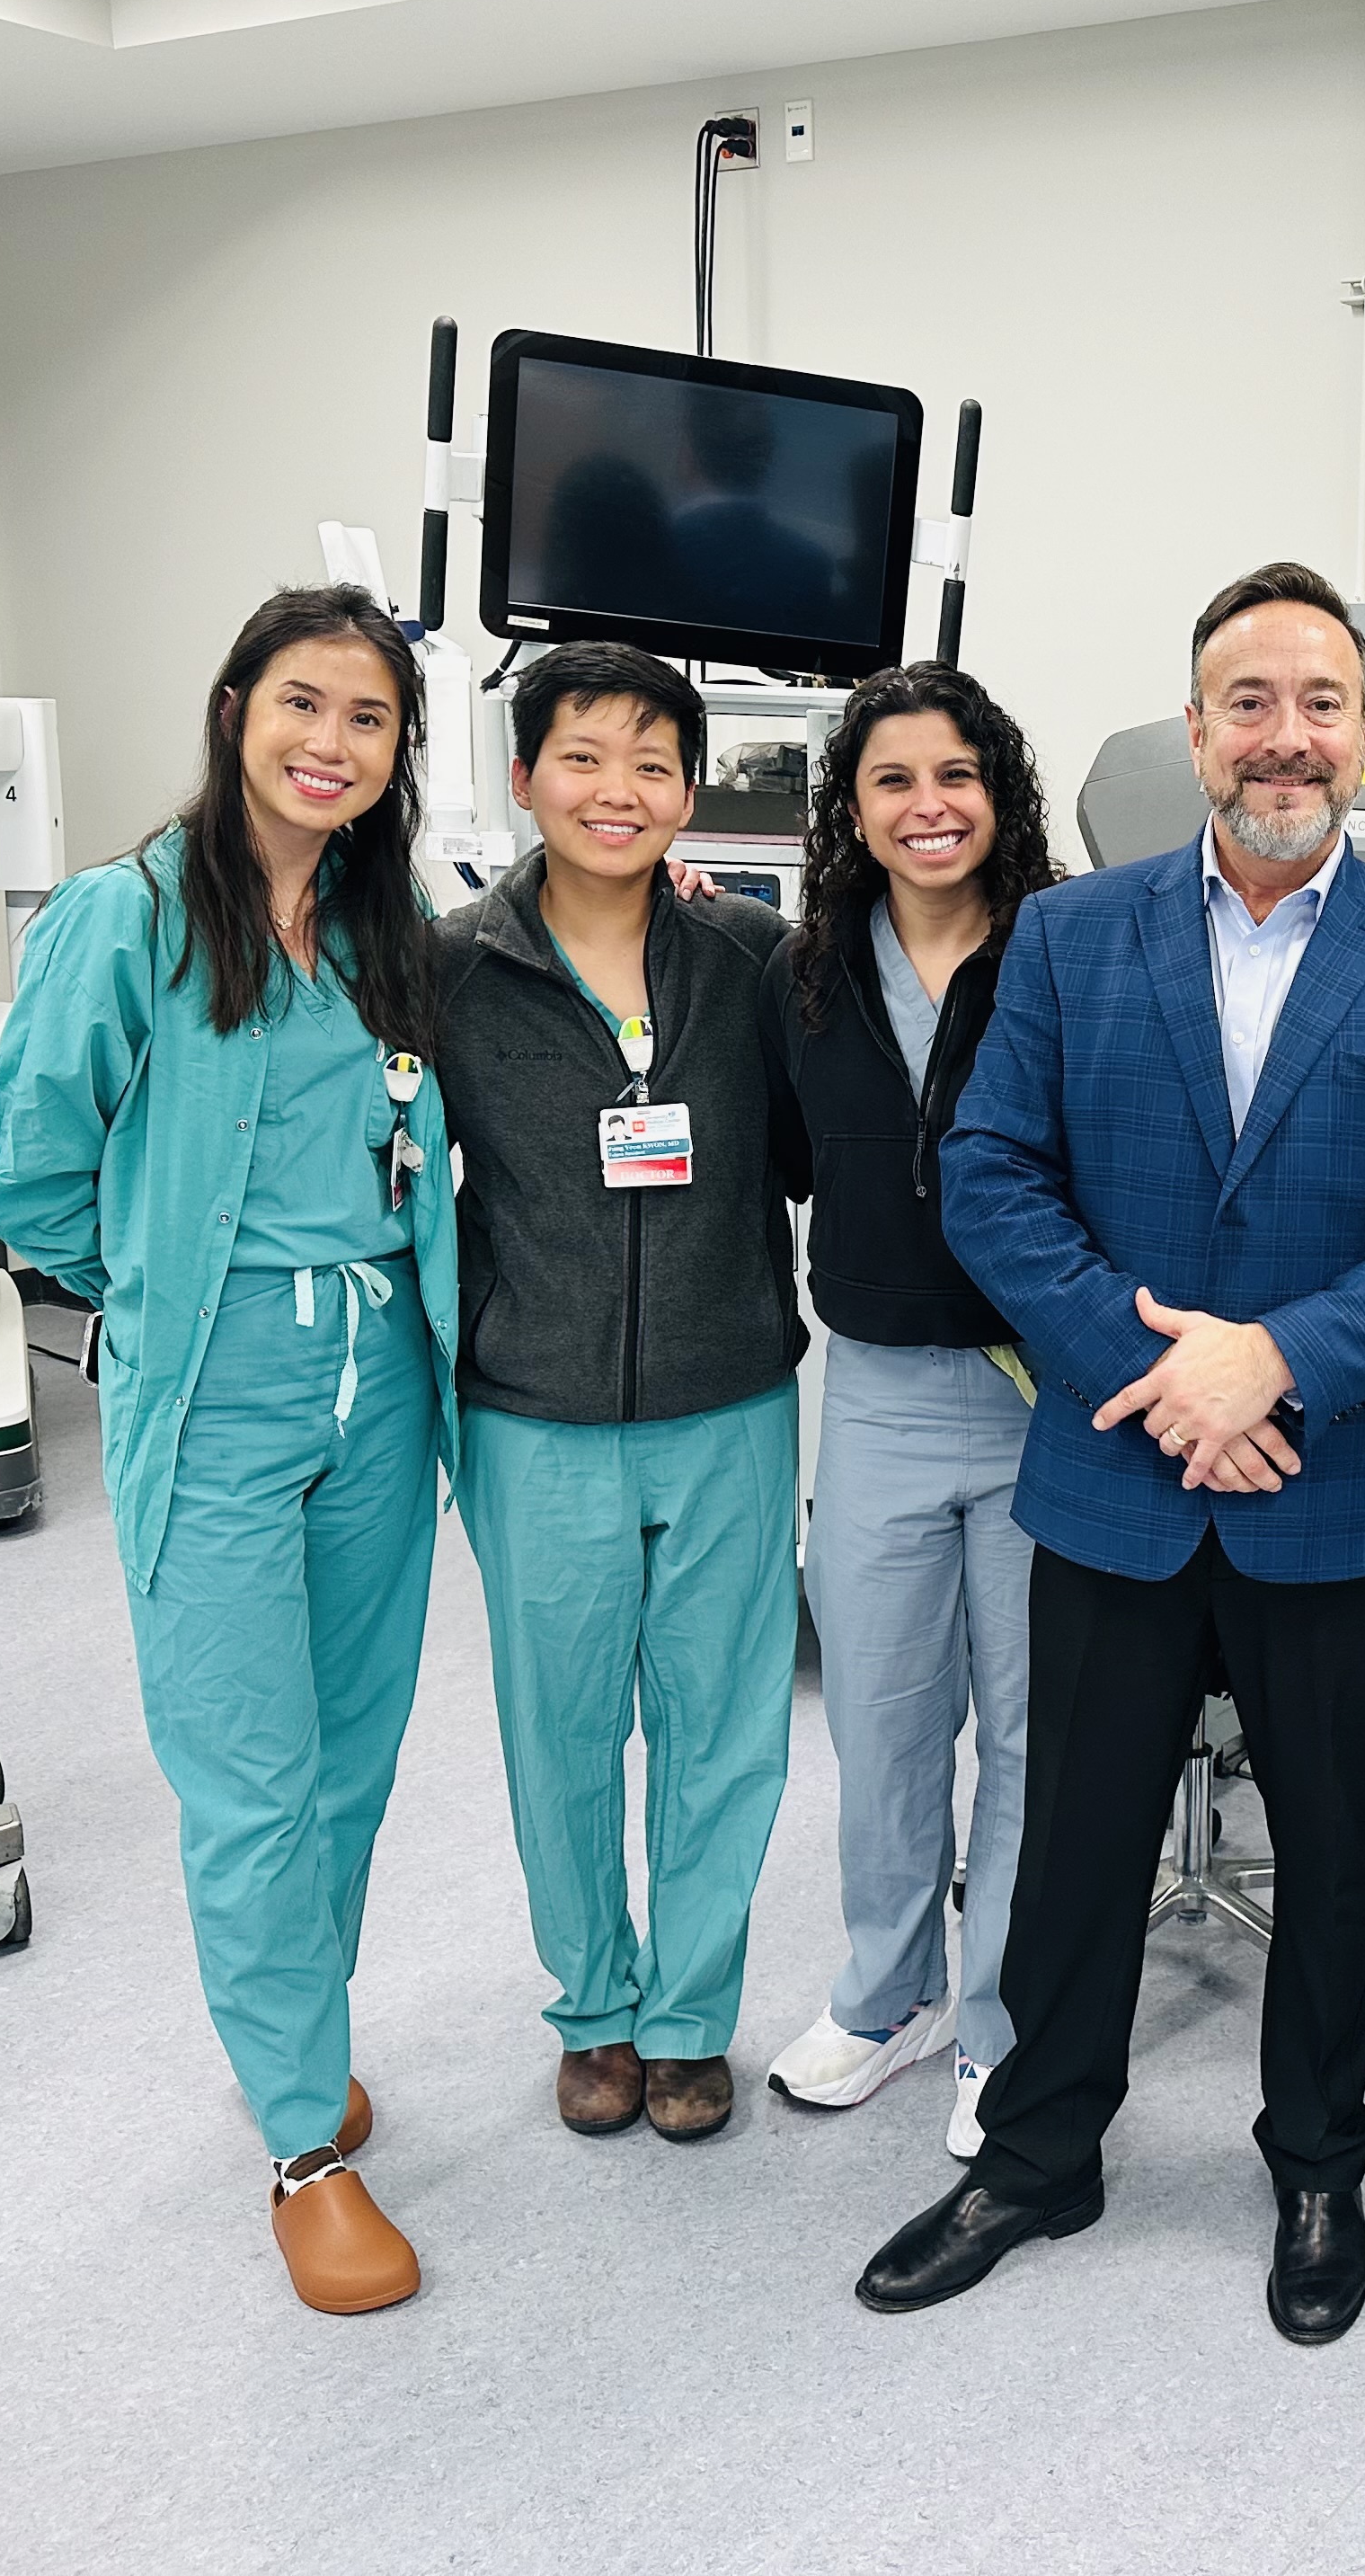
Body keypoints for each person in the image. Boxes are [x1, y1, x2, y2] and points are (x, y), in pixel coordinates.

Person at [854, 562, 1365, 2346]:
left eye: (1320, 702)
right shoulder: (1076, 940)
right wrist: (1167, 1388)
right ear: (1194, 728)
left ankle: (1316, 2160)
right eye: (1250, 700)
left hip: (1347, 1492)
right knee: (1074, 1839)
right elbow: (992, 1181)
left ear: (1364, 734)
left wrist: (1274, 1369)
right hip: (1117, 1474)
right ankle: (1037, 2152)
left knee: (1330, 1859)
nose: (1286, 736)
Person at [0, 585, 458, 2316]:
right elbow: (26, 1175)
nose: (332, 745)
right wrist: (167, 1302)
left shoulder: (391, 922)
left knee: (353, 1757)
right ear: (237, 705)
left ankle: (296, 2038)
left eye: (371, 721)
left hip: (384, 1383)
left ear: (402, 754)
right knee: (249, 1776)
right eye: (303, 706)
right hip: (222, 1384)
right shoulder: (127, 919)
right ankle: (301, 2151)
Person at [432, 640, 808, 2145]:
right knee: (561, 1724)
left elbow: (804, 1155)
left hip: (729, 1400)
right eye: (583, 758)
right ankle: (592, 2008)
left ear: (691, 793)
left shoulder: (751, 962)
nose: (618, 790)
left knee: (726, 1725)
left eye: (653, 764)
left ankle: (690, 2017)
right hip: (536, 1412)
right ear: (522, 779)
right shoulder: (452, 970)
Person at [761, 663, 1063, 2161]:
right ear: (853, 809)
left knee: (1025, 1731)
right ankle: (891, 1998)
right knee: (880, 1724)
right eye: (894, 781)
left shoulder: (1070, 956)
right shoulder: (799, 969)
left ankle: (1000, 2027)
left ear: (997, 794)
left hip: (1042, 1399)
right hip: (874, 1394)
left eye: (956, 776)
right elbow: (775, 1160)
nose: (929, 806)